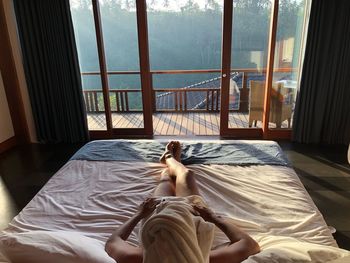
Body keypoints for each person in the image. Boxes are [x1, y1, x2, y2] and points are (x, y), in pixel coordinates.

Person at [105, 141, 260, 263]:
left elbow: (113, 241)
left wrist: (139, 214)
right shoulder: (201, 258)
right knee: (186, 175)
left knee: (166, 179)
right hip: (190, 210)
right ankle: (172, 160)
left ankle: (169, 161)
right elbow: (249, 245)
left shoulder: (139, 258)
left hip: (159, 208)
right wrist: (213, 218)